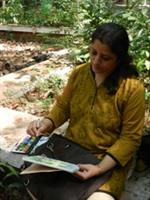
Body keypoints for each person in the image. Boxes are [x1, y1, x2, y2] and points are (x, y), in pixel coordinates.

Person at [27, 22, 145, 200]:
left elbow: (130, 138)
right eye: (93, 53)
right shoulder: (79, 74)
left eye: (105, 58)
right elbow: (63, 107)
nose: (96, 61)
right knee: (33, 179)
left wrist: (99, 168)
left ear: (119, 58)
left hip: (108, 160)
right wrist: (46, 123)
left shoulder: (132, 89)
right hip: (71, 150)